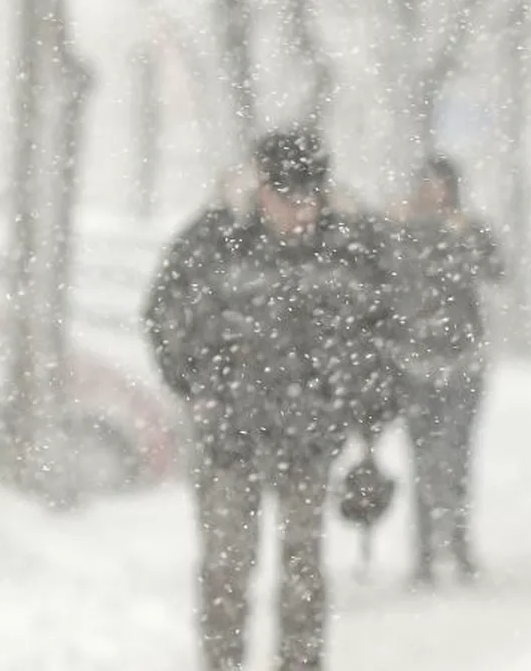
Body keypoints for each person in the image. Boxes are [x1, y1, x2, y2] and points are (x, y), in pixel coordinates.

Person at [143, 128, 397, 671]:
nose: (300, 212)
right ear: (263, 191)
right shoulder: (213, 240)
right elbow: (164, 317)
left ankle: (300, 664)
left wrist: (369, 415)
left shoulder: (350, 246)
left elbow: (382, 333)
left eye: (310, 198)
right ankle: (222, 662)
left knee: (303, 568)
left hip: (311, 435)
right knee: (226, 568)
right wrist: (200, 385)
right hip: (229, 435)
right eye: (288, 198)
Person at [389, 156, 505, 585]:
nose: (434, 193)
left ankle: (457, 544)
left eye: (441, 185)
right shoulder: (401, 231)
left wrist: (465, 238)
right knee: (422, 460)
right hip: (415, 365)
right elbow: (386, 277)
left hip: (461, 363)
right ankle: (423, 553)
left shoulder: (468, 228)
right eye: (427, 184)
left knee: (456, 457)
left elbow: (496, 270)